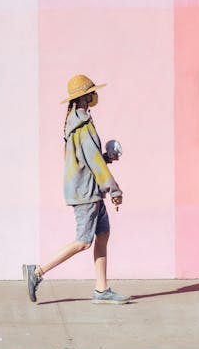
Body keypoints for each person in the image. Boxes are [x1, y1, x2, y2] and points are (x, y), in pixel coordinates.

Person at [23, 74, 130, 304]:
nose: (95, 96)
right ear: (85, 97)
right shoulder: (82, 126)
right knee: (83, 241)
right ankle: (37, 272)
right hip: (87, 193)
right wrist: (114, 190)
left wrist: (106, 158)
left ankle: (102, 290)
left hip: (89, 190)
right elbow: (94, 163)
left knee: (103, 234)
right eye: (92, 92)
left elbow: (89, 159)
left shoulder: (77, 121)